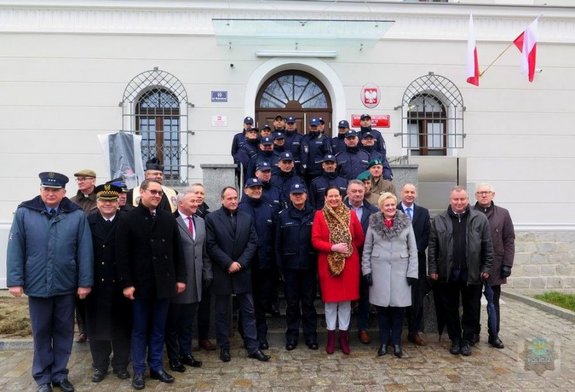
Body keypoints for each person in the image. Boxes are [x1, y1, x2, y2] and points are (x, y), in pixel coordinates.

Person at [7, 171, 93, 392]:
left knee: (64, 330)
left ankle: (60, 374)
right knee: (42, 331)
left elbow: (85, 251)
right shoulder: (25, 212)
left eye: (55, 190)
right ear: (40, 190)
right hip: (36, 284)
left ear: (64, 192)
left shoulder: (76, 215)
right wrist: (15, 280)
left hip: (66, 284)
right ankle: (42, 377)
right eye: (46, 189)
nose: (50, 193)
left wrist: (85, 282)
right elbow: (15, 248)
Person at [116, 179, 187, 390]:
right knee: (139, 330)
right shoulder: (128, 219)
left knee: (158, 328)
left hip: (164, 284)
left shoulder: (167, 218)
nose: (157, 196)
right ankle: (139, 370)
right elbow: (122, 256)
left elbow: (177, 251)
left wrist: (180, 278)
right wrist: (126, 284)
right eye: (153, 192)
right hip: (140, 286)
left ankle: (156, 367)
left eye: (159, 193)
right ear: (142, 193)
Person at [205, 187, 270, 363]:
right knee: (222, 312)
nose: (233, 201)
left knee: (248, 311)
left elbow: (253, 242)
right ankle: (224, 348)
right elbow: (211, 245)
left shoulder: (246, 218)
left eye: (235, 198)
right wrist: (228, 263)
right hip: (223, 271)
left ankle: (252, 347)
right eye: (229, 198)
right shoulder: (211, 218)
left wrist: (240, 263)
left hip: (243, 270)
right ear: (222, 199)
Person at [428, 186, 494, 357]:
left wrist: (486, 267)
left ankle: (467, 340)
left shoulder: (480, 219)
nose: (459, 202)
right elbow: (433, 247)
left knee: (471, 309)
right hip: (447, 273)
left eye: (462, 199)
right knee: (450, 309)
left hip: (472, 273)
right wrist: (433, 269)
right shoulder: (439, 220)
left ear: (468, 199)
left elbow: (487, 246)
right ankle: (455, 340)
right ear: (450, 200)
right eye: (456, 199)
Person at [362, 192, 418, 357]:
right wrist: (367, 270)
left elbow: (413, 249)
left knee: (398, 311)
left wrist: (412, 272)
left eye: (393, 204)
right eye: (387, 205)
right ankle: (384, 343)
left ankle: (397, 344)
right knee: (383, 311)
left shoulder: (406, 222)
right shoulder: (373, 223)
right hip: (379, 271)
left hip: (401, 272)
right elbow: (367, 249)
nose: (390, 207)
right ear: (381, 207)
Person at [86, 184, 132, 383]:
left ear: (118, 203)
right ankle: (100, 365)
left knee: (122, 326)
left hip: (120, 283)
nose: (107, 204)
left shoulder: (127, 221)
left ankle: (121, 364)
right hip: (96, 282)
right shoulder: (88, 222)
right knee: (97, 327)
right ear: (97, 202)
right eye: (103, 200)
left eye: (111, 200)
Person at [311, 186, 365, 355]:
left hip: (349, 264)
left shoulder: (351, 214)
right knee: (330, 303)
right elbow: (315, 240)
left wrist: (347, 250)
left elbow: (359, 238)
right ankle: (331, 338)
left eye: (336, 196)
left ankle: (343, 337)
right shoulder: (319, 215)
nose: (334, 199)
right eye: (330, 196)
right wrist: (333, 247)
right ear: (325, 198)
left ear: (342, 197)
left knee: (345, 302)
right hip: (328, 264)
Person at [165, 188, 212, 373]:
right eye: (192, 201)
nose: (196, 204)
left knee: (187, 322)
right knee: (174, 323)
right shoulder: (171, 221)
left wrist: (207, 272)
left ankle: (186, 353)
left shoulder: (200, 222)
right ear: (180, 203)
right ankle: (174, 357)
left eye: (197, 201)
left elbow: (204, 251)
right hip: (178, 282)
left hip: (197, 281)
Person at [275, 183, 318, 351]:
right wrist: (280, 269)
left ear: (306, 195)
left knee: (308, 304)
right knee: (292, 305)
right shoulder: (282, 216)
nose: (298, 196)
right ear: (290, 196)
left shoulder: (315, 214)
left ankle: (311, 336)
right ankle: (292, 336)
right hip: (290, 268)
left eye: (301, 193)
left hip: (309, 267)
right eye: (295, 194)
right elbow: (278, 245)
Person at [473, 183, 515, 349]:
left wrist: (507, 263)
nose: (484, 195)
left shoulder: (503, 214)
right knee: (473, 301)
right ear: (475, 195)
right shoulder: (470, 212)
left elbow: (509, 240)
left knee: (493, 302)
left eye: (486, 192)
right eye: (480, 193)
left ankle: (494, 334)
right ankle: (474, 332)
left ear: (493, 194)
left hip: (496, 266)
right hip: (475, 265)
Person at [238, 178, 276, 350]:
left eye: (259, 187)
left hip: (265, 265)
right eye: (253, 188)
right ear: (245, 190)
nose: (257, 190)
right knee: (246, 303)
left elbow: (275, 238)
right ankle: (247, 334)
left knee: (261, 302)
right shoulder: (239, 209)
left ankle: (261, 335)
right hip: (246, 265)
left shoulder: (269, 209)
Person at [344, 179, 378, 345]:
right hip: (344, 258)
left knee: (364, 294)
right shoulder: (339, 209)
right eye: (354, 191)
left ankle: (363, 328)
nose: (357, 194)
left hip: (366, 257)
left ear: (364, 192)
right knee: (346, 295)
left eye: (360, 191)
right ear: (348, 193)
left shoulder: (373, 211)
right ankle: (344, 329)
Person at [397, 184, 431, 347]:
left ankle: (414, 331)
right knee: (398, 296)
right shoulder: (392, 209)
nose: (409, 195)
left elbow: (426, 234)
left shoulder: (423, 212)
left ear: (416, 194)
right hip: (397, 261)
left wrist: (415, 249)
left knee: (417, 298)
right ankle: (395, 332)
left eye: (412, 192)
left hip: (417, 260)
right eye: (406, 192)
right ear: (401, 193)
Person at [186, 183, 216, 351]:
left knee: (204, 306)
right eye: (195, 192)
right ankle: (186, 340)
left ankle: (203, 337)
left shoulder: (208, 216)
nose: (199, 196)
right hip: (188, 267)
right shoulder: (179, 214)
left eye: (201, 193)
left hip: (205, 265)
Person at [70, 169, 97, 343]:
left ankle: (94, 326)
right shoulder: (72, 202)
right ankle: (83, 329)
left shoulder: (100, 199)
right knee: (78, 295)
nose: (80, 182)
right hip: (76, 252)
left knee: (93, 293)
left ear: (93, 181)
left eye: (84, 179)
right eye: (78, 179)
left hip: (95, 248)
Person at [302, 118, 332, 185]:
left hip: (319, 172)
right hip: (306, 173)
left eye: (315, 126)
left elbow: (328, 155)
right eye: (312, 126)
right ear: (309, 127)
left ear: (319, 126)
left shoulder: (325, 139)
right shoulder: (304, 138)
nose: (314, 128)